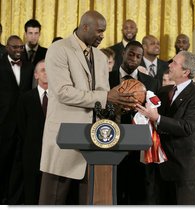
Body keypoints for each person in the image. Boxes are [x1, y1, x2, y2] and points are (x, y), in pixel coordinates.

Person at [38, 10, 137, 205]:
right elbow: (63, 92)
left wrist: (119, 105)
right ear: (85, 27)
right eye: (99, 31)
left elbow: (103, 96)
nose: (102, 36)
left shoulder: (100, 57)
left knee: (93, 201)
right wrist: (107, 96)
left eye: (104, 31)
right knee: (53, 200)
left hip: (96, 140)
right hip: (64, 138)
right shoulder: (59, 49)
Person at [136, 51, 195, 205]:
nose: (169, 65)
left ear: (186, 71)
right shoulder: (164, 92)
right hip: (161, 166)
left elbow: (187, 126)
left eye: (174, 63)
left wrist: (157, 118)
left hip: (183, 168)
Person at [109, 40, 159, 205]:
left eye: (138, 56)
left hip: (139, 148)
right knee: (113, 192)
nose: (134, 59)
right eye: (131, 54)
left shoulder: (151, 82)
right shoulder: (107, 78)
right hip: (111, 143)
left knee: (138, 195)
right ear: (123, 53)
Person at [0, 35, 33, 204]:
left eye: (21, 47)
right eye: (14, 47)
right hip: (3, 124)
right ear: (7, 48)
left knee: (19, 163)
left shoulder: (29, 67)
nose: (18, 50)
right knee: (3, 161)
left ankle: (15, 199)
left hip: (23, 123)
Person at [14, 60, 48, 204]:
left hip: (54, 154)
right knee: (32, 193)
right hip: (32, 154)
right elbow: (21, 127)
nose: (47, 73)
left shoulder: (62, 99)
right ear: (36, 75)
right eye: (43, 70)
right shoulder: (25, 98)